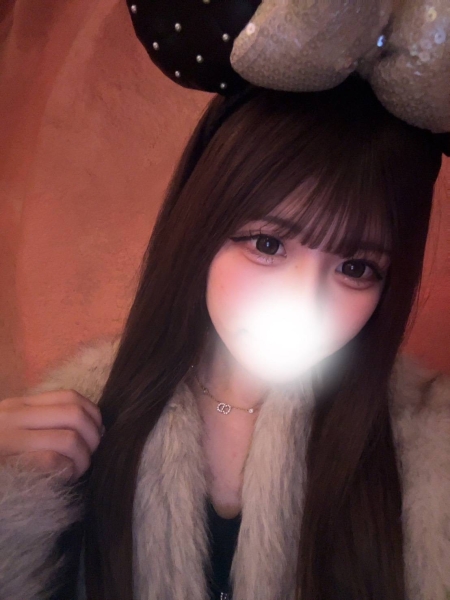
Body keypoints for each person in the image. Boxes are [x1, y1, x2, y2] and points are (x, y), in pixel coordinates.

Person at [1, 76, 450, 600]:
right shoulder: (81, 421)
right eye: (267, 244)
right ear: (200, 230)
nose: (304, 302)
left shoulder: (426, 448)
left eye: (355, 267)